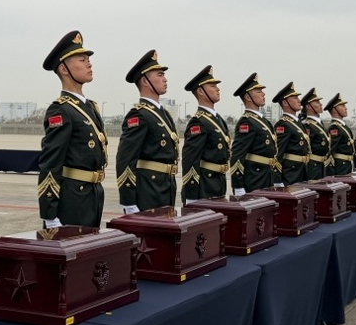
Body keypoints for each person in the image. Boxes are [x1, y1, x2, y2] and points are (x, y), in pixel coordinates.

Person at [37, 31, 107, 227]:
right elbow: (51, 163)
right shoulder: (61, 110)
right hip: (72, 199)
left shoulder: (90, 107)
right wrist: (50, 214)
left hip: (92, 195)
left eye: (88, 59)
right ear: (64, 69)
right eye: (82, 59)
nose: (89, 63)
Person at [116, 50, 179, 213]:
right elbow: (125, 160)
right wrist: (129, 202)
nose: (165, 79)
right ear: (145, 81)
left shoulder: (163, 114)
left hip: (166, 188)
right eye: (159, 75)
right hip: (148, 192)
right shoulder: (140, 115)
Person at [181, 66, 231, 202]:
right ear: (201, 91)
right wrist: (191, 196)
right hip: (204, 186)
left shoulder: (218, 120)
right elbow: (190, 160)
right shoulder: (199, 123)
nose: (218, 89)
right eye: (212, 85)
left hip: (218, 183)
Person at [229, 73, 281, 193]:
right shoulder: (247, 122)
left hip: (267, 176)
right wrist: (238, 186)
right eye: (258, 91)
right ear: (248, 97)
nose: (263, 94)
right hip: (254, 179)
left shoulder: (263, 121)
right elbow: (237, 156)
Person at [272, 82, 310, 185]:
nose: (299, 100)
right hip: (290, 175)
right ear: (285, 103)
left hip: (301, 172)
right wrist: (277, 180)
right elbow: (277, 154)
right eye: (294, 98)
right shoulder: (283, 125)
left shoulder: (297, 123)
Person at [301, 88, 331, 180]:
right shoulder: (307, 125)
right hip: (313, 166)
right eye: (317, 102)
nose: (321, 104)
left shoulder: (319, 123)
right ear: (309, 107)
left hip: (322, 166)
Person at [325, 93, 355, 176]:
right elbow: (331, 150)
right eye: (342, 106)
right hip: (340, 166)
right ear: (335, 110)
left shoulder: (343, 126)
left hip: (346, 165)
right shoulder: (334, 127)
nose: (345, 108)